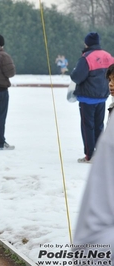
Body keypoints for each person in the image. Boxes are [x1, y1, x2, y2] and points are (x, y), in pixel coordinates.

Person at [72, 107, 114, 264]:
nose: (111, 84)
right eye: (109, 80)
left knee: (90, 125)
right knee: (95, 125)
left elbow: (90, 242)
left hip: (90, 99)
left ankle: (90, 153)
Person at [70, 32, 114, 163]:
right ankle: (100, 154)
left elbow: (77, 77)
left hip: (87, 98)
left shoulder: (86, 57)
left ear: (87, 43)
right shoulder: (108, 56)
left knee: (87, 126)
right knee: (99, 125)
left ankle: (90, 155)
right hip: (103, 96)